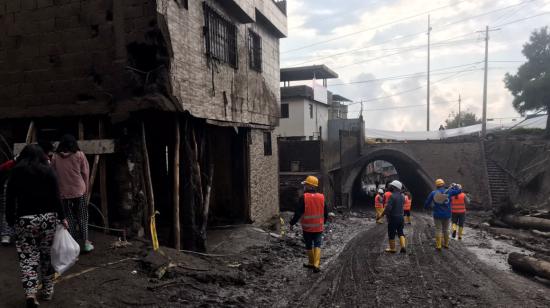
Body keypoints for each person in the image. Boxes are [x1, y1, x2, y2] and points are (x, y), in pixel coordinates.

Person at [5, 145, 67, 307]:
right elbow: (56, 197)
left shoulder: (16, 173)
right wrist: (63, 217)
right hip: (48, 219)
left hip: (24, 220)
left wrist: (10, 219)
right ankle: (47, 291)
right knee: (47, 256)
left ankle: (31, 294)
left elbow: (10, 200)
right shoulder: (48, 171)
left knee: (28, 258)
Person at [51, 134, 93, 252]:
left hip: (63, 192)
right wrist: (86, 188)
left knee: (69, 218)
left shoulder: (55, 157)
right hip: (79, 191)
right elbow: (85, 173)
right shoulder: (79, 155)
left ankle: (73, 245)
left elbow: (53, 174)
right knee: (83, 217)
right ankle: (86, 243)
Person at [290, 175, 328, 273]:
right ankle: (316, 264)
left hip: (307, 227)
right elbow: (325, 211)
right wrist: (324, 221)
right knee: (318, 244)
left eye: (306, 184)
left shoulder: (304, 197)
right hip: (318, 226)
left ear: (309, 186)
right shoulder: (321, 197)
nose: (305, 186)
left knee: (308, 244)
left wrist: (292, 223)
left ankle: (311, 262)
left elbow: (298, 212)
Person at [424, 179, 461, 250]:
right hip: (447, 214)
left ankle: (438, 246)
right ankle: (446, 244)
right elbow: (459, 191)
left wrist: (425, 207)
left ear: (436, 185)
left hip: (437, 214)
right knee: (446, 230)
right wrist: (456, 186)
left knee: (438, 229)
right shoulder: (450, 192)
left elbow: (427, 202)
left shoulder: (433, 193)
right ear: (443, 184)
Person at [380, 180, 406, 253]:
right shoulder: (402, 196)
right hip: (401, 217)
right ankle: (403, 246)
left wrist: (382, 214)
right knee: (400, 232)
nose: (390, 186)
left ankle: (392, 248)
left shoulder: (392, 196)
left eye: (391, 186)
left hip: (393, 218)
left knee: (391, 233)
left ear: (394, 187)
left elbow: (388, 208)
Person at [0, 158, 16, 246]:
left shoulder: (9, 163)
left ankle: (6, 235)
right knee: (10, 211)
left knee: (6, 211)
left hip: (6, 187)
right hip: (10, 187)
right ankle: (7, 234)